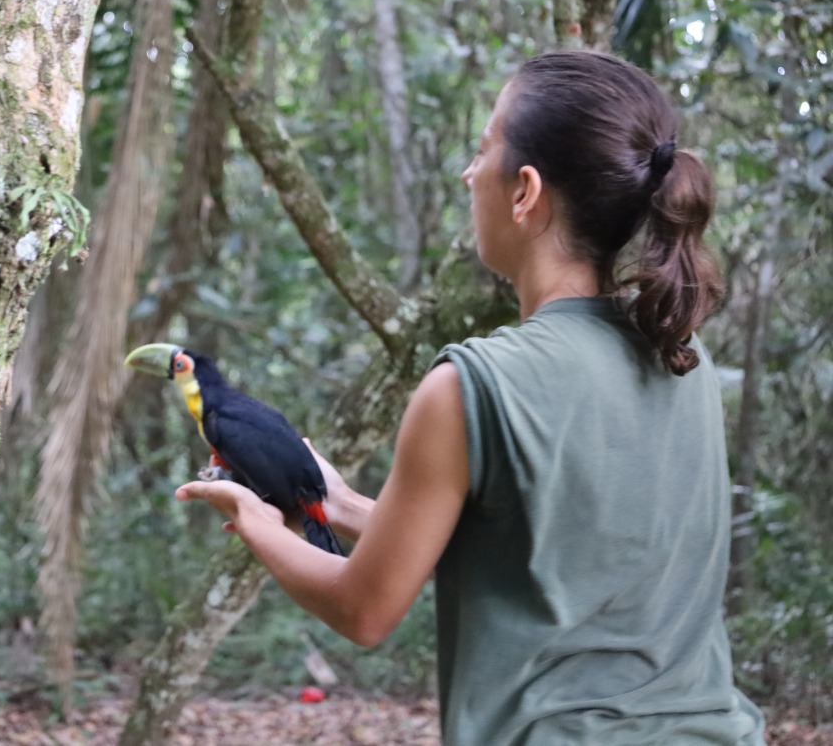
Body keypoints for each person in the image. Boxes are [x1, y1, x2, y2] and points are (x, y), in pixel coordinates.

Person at [175, 51, 766, 744]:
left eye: (482, 151)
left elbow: (364, 607)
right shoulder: (685, 358)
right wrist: (338, 504)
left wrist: (258, 521)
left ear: (525, 191)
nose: (467, 173)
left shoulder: (470, 384)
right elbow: (536, 555)